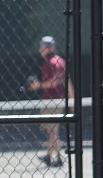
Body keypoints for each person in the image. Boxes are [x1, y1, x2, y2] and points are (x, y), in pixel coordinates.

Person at [26, 35, 72, 168]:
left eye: (43, 46)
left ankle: (59, 157)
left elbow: (54, 82)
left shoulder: (51, 63)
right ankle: (49, 156)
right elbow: (67, 81)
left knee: (52, 131)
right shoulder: (60, 61)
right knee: (52, 130)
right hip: (57, 100)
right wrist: (71, 97)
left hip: (51, 101)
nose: (40, 49)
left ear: (50, 48)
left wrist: (38, 86)